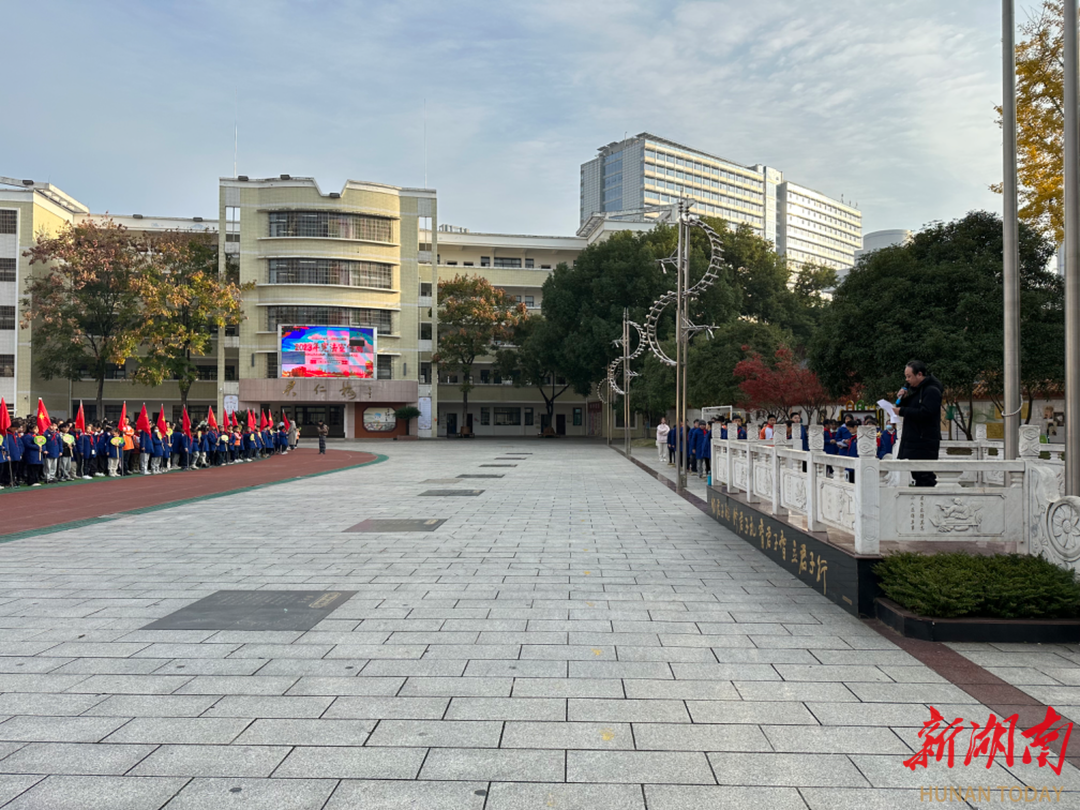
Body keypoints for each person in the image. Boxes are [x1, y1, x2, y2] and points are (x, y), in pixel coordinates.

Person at [896, 359, 944, 487]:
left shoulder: (931, 391)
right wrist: (904, 400)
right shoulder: (917, 391)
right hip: (914, 441)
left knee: (925, 477)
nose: (907, 379)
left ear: (920, 374)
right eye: (906, 376)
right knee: (917, 475)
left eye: (909, 376)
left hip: (924, 442)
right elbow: (914, 408)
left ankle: (927, 504)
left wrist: (902, 411)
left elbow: (926, 413)